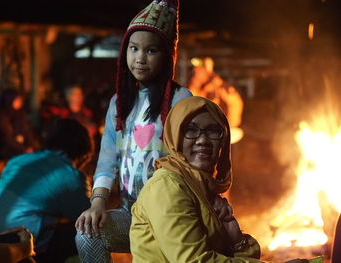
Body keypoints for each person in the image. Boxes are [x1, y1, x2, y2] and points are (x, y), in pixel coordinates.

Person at [75, 0, 192, 262]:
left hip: (174, 214)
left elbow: (193, 160)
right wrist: (98, 204)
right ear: (124, 51)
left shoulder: (181, 99)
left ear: (167, 56)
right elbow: (107, 162)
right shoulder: (120, 102)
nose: (140, 58)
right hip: (131, 214)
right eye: (134, 48)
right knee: (87, 233)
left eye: (151, 50)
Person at [130, 96, 308, 263]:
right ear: (175, 137)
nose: (203, 140)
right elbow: (194, 261)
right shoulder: (167, 187)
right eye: (190, 130)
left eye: (213, 131)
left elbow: (237, 256)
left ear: (223, 141)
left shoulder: (201, 187)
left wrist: (236, 239)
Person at [0, 118, 93, 263]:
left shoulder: (19, 160)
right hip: (22, 245)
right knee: (89, 233)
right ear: (83, 154)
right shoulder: (71, 175)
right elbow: (91, 216)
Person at [188, 57, 244, 144]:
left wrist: (230, 124)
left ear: (206, 70)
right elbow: (189, 103)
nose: (195, 70)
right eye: (195, 69)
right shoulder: (197, 87)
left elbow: (235, 104)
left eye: (199, 69)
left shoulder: (221, 88)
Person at [0, 88, 37, 161]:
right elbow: (6, 137)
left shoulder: (20, 114)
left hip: (23, 149)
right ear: (10, 100)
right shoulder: (1, 116)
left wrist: (30, 146)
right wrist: (23, 149)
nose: (20, 102)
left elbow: (27, 131)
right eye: (17, 100)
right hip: (7, 151)